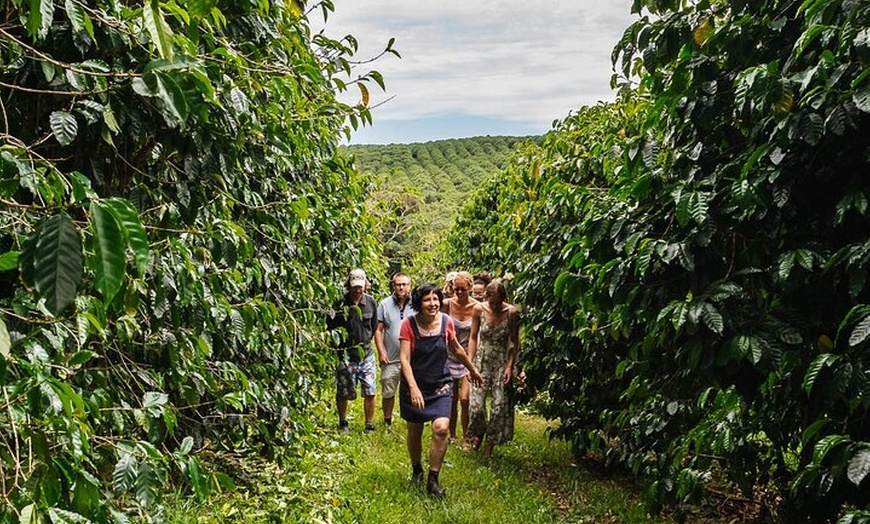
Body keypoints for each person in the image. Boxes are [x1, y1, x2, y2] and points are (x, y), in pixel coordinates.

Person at [399, 282, 483, 498]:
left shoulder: (446, 322)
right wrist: (414, 388)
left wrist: (472, 370)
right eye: (427, 299)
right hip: (414, 386)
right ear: (419, 303)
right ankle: (417, 468)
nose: (433, 303)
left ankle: (433, 480)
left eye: (435, 299)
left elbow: (456, 347)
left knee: (441, 428)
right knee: (415, 430)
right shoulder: (408, 325)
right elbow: (405, 360)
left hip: (440, 385)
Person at [466, 279, 520, 459]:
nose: (495, 306)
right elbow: (473, 337)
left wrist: (510, 366)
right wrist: (470, 364)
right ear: (486, 298)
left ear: (504, 299)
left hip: (501, 363)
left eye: (499, 302)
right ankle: (478, 434)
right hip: (481, 361)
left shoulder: (512, 312)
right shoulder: (479, 309)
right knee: (476, 407)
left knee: (498, 407)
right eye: (492, 302)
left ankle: (490, 446)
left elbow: (514, 341)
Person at [327, 268, 378, 433]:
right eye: (355, 286)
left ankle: (369, 424)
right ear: (349, 285)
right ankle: (343, 422)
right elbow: (331, 328)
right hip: (346, 356)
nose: (358, 290)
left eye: (360, 286)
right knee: (343, 391)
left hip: (366, 354)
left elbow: (374, 325)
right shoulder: (340, 304)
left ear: (365, 286)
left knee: (370, 390)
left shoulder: (370, 302)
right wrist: (339, 353)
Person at [441, 271, 477, 444]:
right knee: (452, 397)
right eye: (456, 290)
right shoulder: (447, 304)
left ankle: (466, 436)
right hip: (449, 355)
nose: (460, 293)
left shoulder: (477, 307)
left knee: (465, 399)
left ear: (469, 287)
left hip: (467, 355)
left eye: (463, 289)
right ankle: (452, 434)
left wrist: (470, 362)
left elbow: (475, 336)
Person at [374, 272, 413, 427]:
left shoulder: (416, 304)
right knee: (388, 390)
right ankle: (387, 421)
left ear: (409, 286)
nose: (401, 287)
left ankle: (411, 419)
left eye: (404, 284)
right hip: (391, 357)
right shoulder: (384, 304)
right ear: (393, 286)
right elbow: (378, 330)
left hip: (411, 358)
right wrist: (381, 351)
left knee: (411, 389)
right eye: (398, 284)